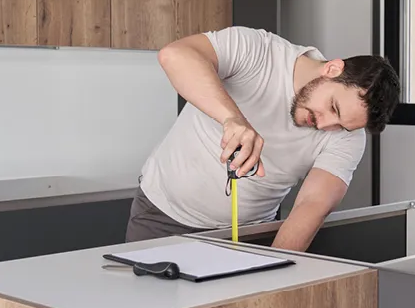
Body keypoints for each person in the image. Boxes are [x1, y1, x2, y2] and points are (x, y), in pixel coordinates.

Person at [125, 25, 400, 252]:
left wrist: (273, 267)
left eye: (340, 125)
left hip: (249, 236)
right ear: (332, 69)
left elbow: (313, 206)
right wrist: (232, 118)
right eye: (333, 108)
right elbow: (175, 55)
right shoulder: (259, 50)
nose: (326, 124)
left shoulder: (349, 138)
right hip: (161, 217)